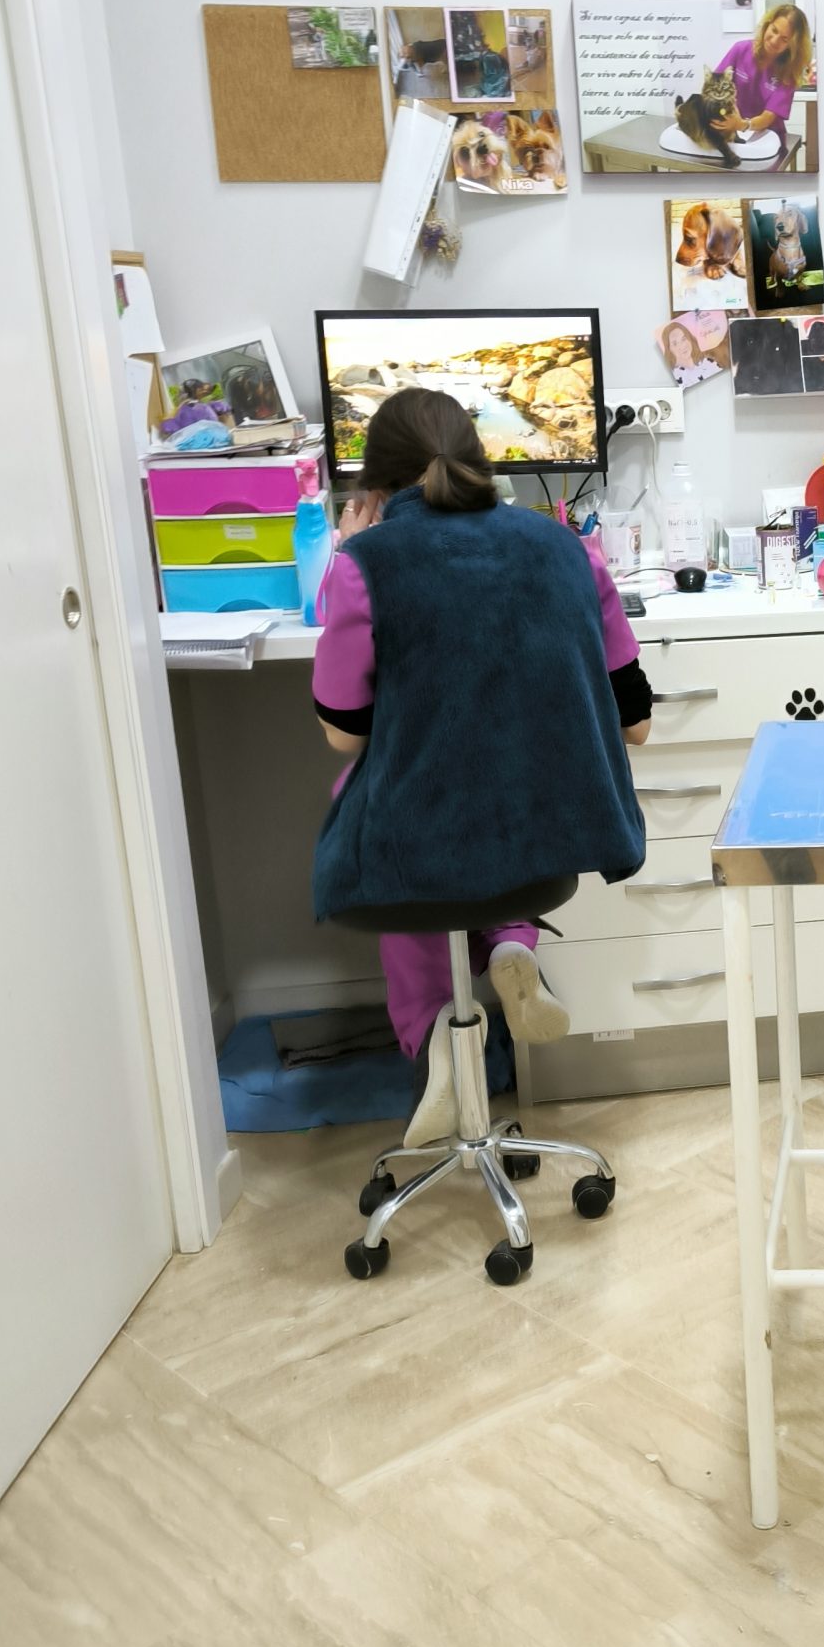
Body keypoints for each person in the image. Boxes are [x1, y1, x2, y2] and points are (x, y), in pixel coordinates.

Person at [310, 387, 651, 1145]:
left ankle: (435, 1031)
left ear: (375, 486)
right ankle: (510, 944)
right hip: (550, 837)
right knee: (495, 805)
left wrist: (348, 555)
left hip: (421, 851)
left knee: (392, 821)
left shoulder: (365, 566)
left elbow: (344, 732)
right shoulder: (568, 548)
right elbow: (637, 722)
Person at [711, 2, 813, 158]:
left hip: (766, 139)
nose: (774, 40)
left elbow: (767, 118)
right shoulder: (740, 49)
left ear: (792, 46)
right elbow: (715, 84)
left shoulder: (788, 74)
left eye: (784, 39)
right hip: (732, 130)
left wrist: (742, 124)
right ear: (767, 25)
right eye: (774, 30)